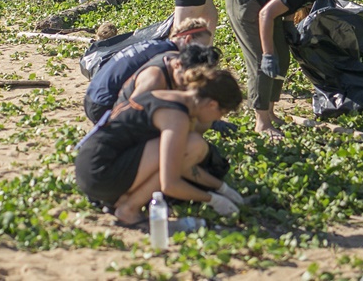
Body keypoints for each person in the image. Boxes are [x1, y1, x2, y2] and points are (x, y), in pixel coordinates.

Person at [75, 67, 245, 225]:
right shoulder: (176, 118)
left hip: (87, 166)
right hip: (100, 173)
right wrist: (212, 199)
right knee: (193, 145)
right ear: (212, 104)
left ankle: (122, 198)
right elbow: (169, 183)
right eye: (221, 114)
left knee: (185, 148)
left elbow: (181, 166)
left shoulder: (167, 96)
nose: (218, 119)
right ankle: (129, 208)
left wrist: (221, 187)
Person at [225, 0, 360, 139]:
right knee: (260, 61)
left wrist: (288, 24)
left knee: (283, 55)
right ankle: (261, 122)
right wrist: (267, 54)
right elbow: (266, 14)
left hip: (267, 3)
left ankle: (270, 112)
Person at [83, 17, 212, 124]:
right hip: (104, 107)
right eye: (201, 48)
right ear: (188, 40)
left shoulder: (155, 45)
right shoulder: (168, 55)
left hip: (91, 97)